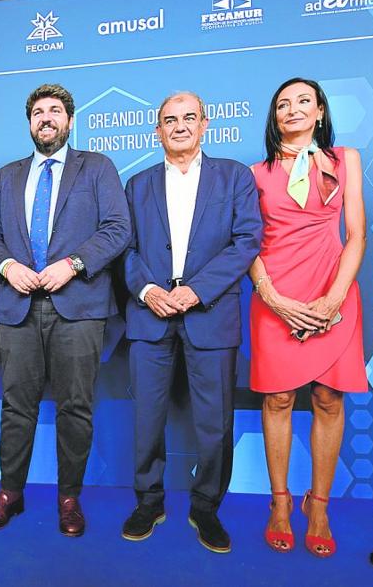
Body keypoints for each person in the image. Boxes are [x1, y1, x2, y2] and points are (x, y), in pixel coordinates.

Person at [0, 83, 131, 537]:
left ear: (69, 120)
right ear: (29, 123)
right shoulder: (7, 176)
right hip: (19, 307)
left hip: (79, 306)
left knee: (75, 408)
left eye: (55, 111)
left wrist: (75, 263)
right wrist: (7, 266)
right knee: (16, 408)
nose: (46, 118)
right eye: (38, 112)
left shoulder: (98, 167)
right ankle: (10, 493)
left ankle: (69, 498)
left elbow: (118, 228)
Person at [120, 92, 262, 550]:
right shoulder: (137, 185)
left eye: (188, 118)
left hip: (211, 313)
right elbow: (125, 249)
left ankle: (206, 508)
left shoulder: (235, 177)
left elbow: (246, 241)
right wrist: (147, 290)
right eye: (169, 120)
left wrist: (197, 289)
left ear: (205, 124)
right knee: (146, 417)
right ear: (157, 130)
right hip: (150, 314)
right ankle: (149, 501)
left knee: (214, 422)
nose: (179, 126)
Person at [247, 78, 366, 558]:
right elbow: (247, 243)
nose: (292, 109)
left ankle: (318, 506)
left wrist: (333, 299)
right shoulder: (253, 173)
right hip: (275, 294)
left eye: (303, 102)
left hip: (332, 291)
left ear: (319, 111)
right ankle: (280, 503)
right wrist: (273, 297)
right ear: (274, 118)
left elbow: (356, 235)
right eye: (282, 104)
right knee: (277, 399)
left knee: (329, 399)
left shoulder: (346, 161)